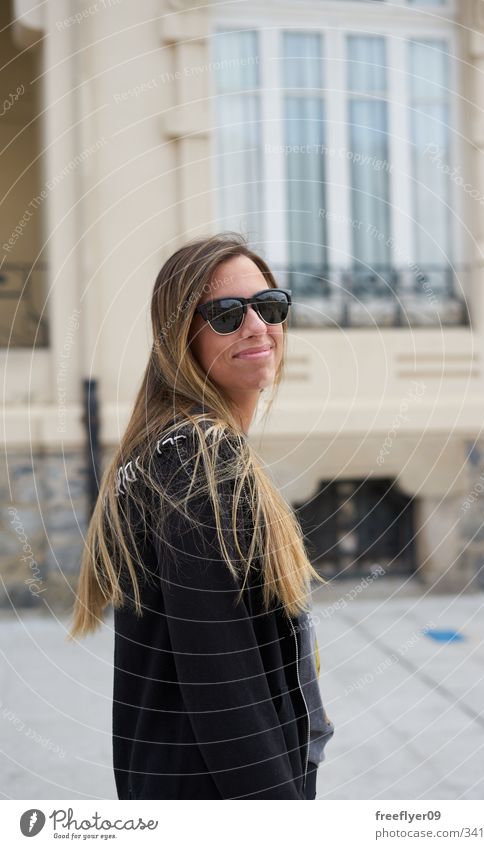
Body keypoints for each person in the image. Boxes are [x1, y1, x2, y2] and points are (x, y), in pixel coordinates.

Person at [68, 232, 334, 799]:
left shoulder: (166, 449)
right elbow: (223, 680)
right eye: (225, 315)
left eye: (269, 306)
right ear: (179, 336)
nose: (257, 327)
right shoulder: (200, 467)